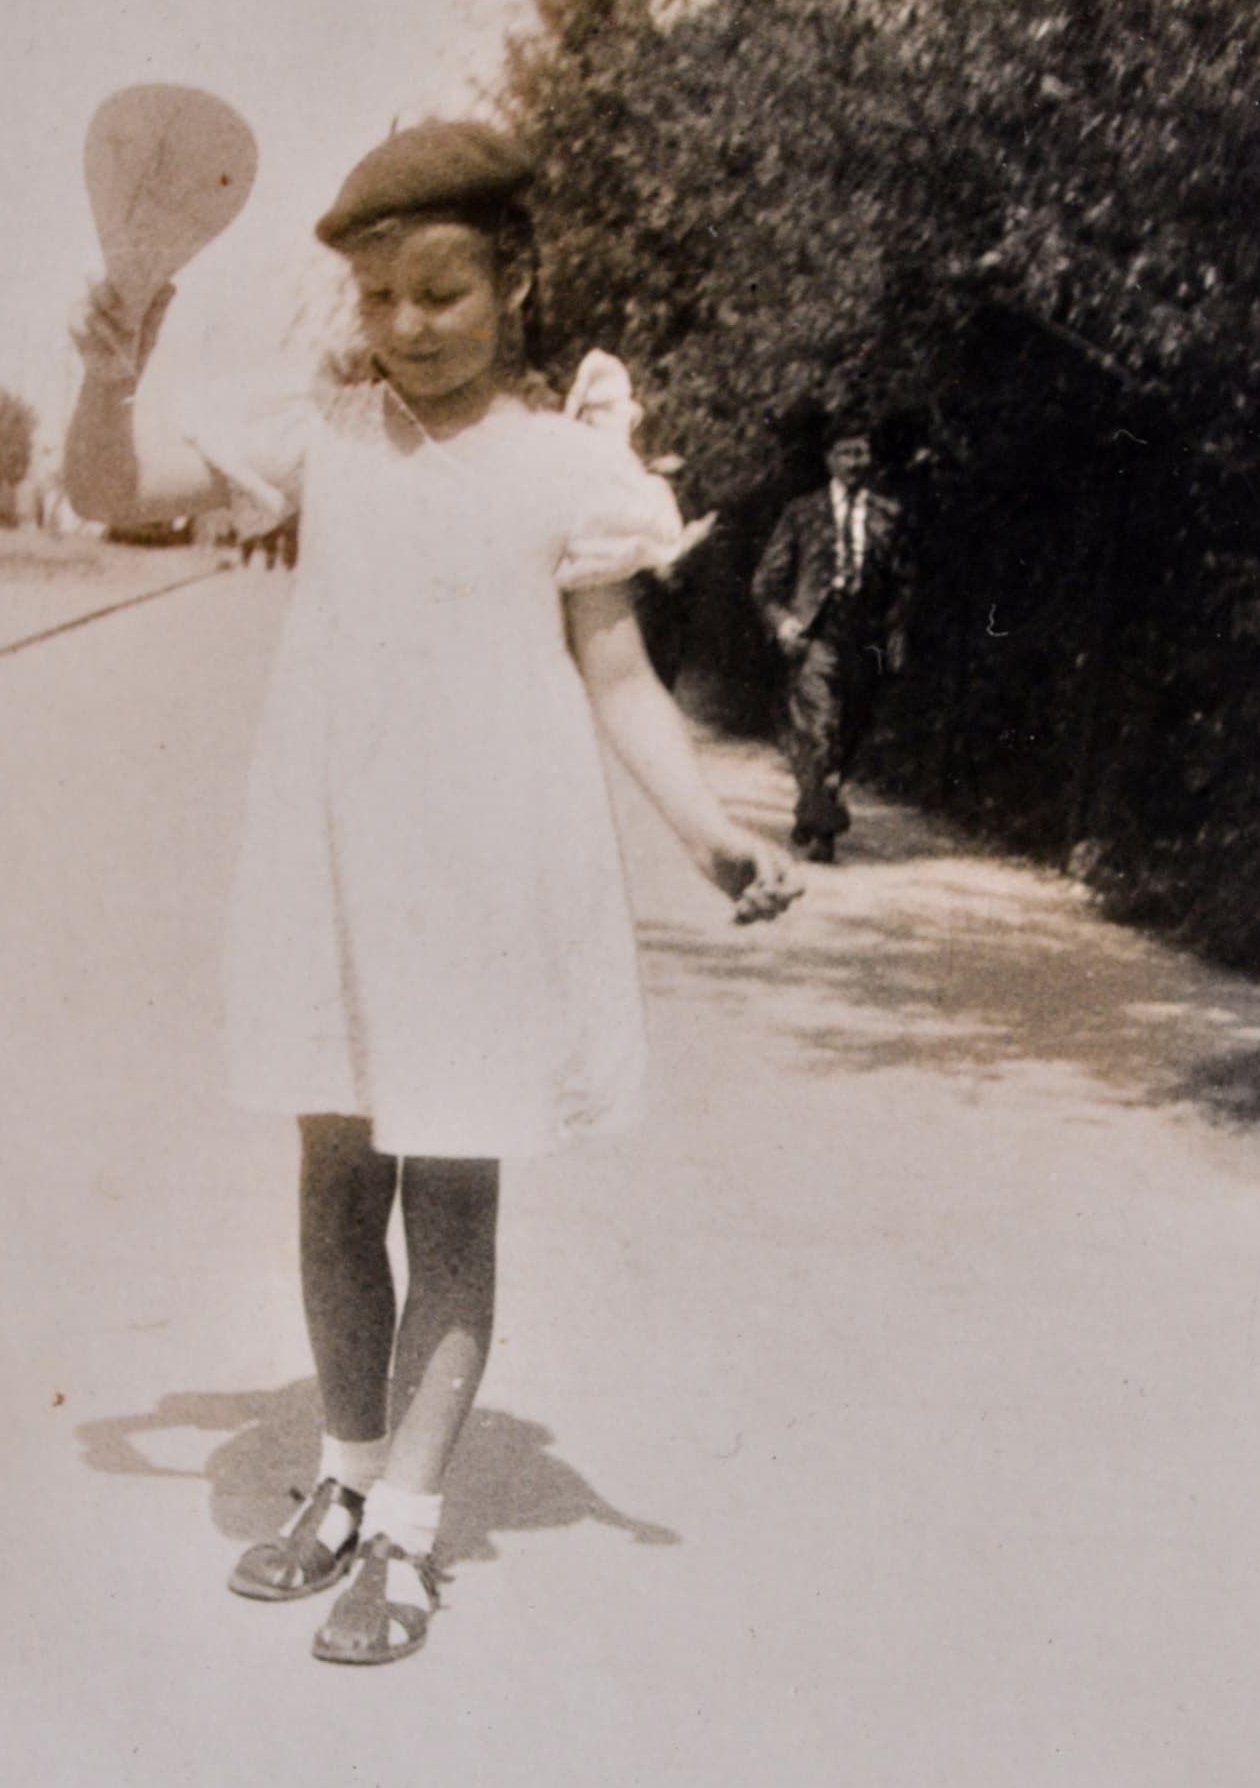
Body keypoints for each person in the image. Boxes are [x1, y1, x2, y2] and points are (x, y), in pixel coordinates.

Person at [64, 118, 799, 1667]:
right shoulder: (326, 437)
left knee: (451, 1197)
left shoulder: (567, 470)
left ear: (514, 279)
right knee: (336, 1188)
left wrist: (709, 833)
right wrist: (109, 374)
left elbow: (619, 674)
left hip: (485, 883)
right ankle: (342, 1479)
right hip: (337, 870)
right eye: (380, 296)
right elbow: (110, 486)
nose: (407, 325)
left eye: (443, 292)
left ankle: (407, 1527)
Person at [751, 410, 913, 861]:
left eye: (861, 453)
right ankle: (824, 829)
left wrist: (897, 632)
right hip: (816, 634)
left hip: (866, 635)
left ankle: (812, 808)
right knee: (818, 728)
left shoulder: (888, 514)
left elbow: (904, 582)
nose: (855, 462)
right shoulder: (803, 513)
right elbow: (766, 581)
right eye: (845, 453)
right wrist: (784, 622)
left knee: (853, 728)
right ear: (829, 459)